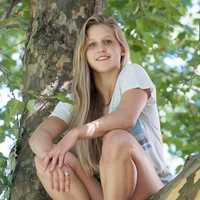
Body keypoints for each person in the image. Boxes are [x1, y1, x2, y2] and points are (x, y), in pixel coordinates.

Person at [29, 14, 173, 200]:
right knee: (45, 162)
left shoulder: (132, 73)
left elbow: (126, 118)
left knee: (117, 137)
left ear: (121, 48)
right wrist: (51, 159)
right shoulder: (78, 96)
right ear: (85, 53)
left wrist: (77, 132)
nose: (101, 49)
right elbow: (39, 137)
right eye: (92, 45)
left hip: (152, 188)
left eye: (108, 42)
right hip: (110, 193)